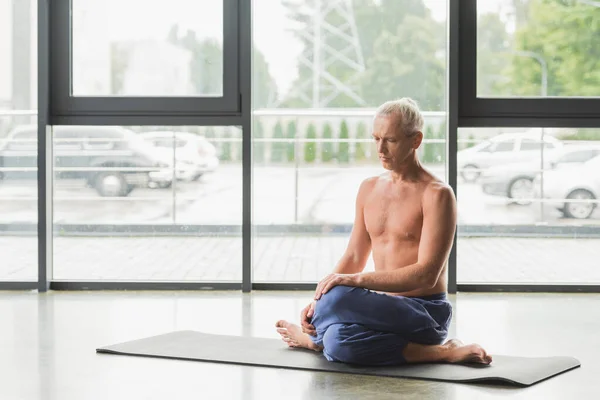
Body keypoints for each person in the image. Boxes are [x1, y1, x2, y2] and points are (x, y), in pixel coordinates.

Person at [275, 98, 492, 366]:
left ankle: (312, 341)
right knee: (339, 341)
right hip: (377, 309)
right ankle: (444, 352)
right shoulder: (368, 188)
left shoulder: (437, 195)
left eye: (390, 140)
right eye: (376, 138)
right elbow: (354, 255)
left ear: (415, 141)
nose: (380, 148)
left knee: (339, 294)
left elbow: (426, 275)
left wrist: (352, 284)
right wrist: (317, 300)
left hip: (424, 311)